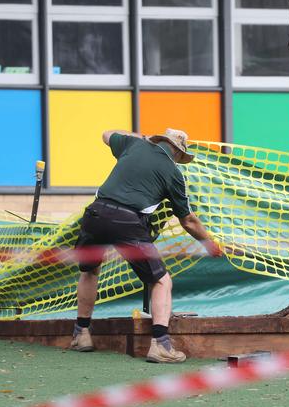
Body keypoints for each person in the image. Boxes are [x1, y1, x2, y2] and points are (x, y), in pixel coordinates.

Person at [70, 128, 223, 363]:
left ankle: (81, 334)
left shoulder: (133, 145)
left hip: (95, 214)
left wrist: (139, 136)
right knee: (161, 280)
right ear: (178, 154)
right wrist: (209, 244)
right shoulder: (173, 173)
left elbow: (106, 134)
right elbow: (188, 220)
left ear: (159, 140)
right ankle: (160, 345)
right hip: (128, 222)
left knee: (90, 270)